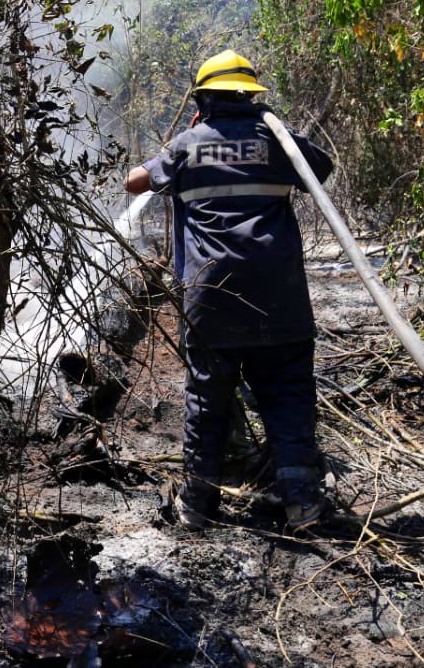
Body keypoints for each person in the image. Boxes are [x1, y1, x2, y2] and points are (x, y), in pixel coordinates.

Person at [125, 50, 334, 531]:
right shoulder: (275, 139)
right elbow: (320, 168)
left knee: (207, 398)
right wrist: (272, 126)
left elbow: (134, 181)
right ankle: (302, 502)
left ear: (202, 99)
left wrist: (179, 149)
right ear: (253, 97)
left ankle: (197, 506)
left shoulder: (187, 143)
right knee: (288, 395)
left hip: (210, 298)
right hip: (279, 297)